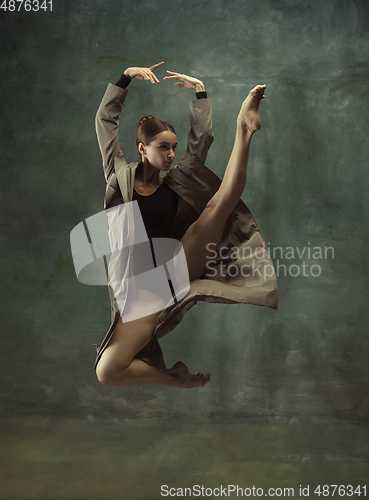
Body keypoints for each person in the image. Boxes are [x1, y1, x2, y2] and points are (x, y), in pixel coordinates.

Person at [94, 61, 278, 389]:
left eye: (173, 147)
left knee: (220, 204)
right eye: (162, 147)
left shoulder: (176, 182)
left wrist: (200, 92)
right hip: (138, 293)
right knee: (107, 371)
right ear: (142, 148)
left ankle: (244, 127)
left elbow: (201, 140)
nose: (170, 154)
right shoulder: (119, 177)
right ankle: (172, 377)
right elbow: (105, 123)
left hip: (176, 265)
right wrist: (124, 78)